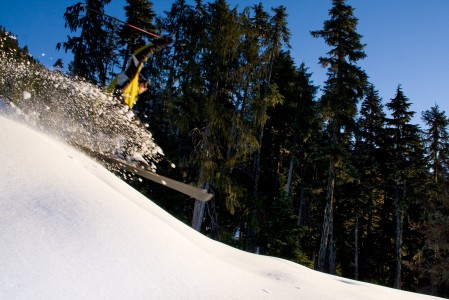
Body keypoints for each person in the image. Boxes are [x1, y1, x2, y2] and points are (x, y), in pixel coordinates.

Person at [108, 35, 172, 109]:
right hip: (111, 103)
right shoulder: (132, 76)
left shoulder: (133, 94)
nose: (145, 89)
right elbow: (138, 57)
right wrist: (156, 45)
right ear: (141, 78)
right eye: (146, 85)